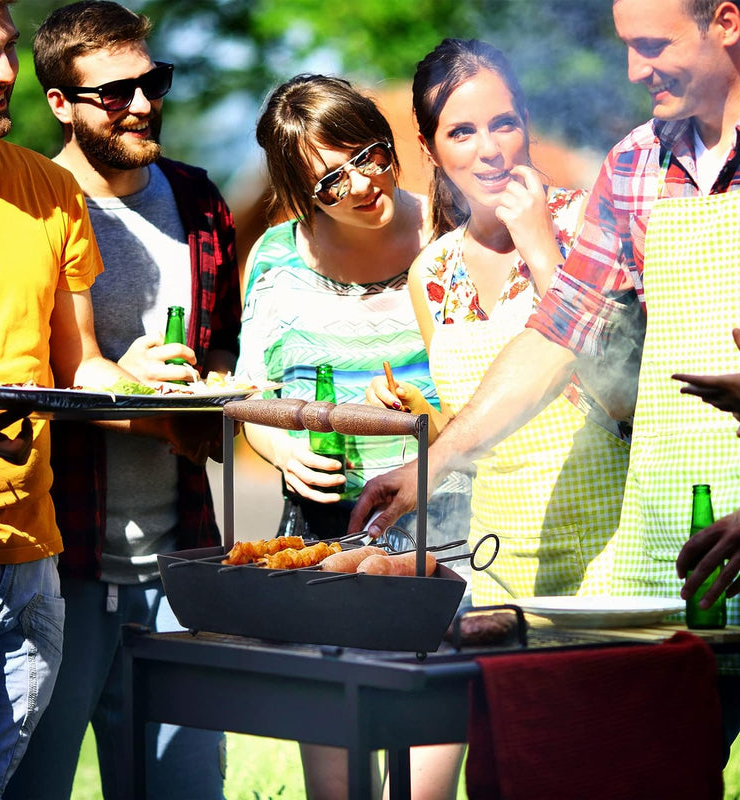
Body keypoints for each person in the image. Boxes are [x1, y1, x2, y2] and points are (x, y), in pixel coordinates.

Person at [351, 1, 740, 795]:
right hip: (664, 578)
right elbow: (558, 335)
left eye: (652, 46)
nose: (632, 71)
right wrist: (432, 464)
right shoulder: (634, 165)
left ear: (724, 22)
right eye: (624, 47)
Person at [362, 37, 630, 800]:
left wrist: (545, 253)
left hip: (609, 557)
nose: (490, 150)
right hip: (500, 566)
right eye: (463, 131)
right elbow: (471, 416)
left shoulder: (592, 224)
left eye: (505, 123)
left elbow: (624, 392)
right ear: (429, 146)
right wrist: (426, 423)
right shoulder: (432, 272)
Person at [4, 3, 240, 799]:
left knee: (187, 790)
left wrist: (210, 388)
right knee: (32, 784)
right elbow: (34, 375)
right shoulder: (25, 206)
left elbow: (223, 342)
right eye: (114, 93)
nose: (141, 104)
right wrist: (146, 401)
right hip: (58, 561)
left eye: (152, 82)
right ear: (60, 105)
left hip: (181, 562)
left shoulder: (200, 199)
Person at [237, 73, 471, 800]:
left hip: (447, 529)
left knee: (424, 775)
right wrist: (284, 448)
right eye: (331, 180)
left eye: (370, 153)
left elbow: (505, 380)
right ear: (301, 193)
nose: (364, 183)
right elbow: (251, 397)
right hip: (323, 532)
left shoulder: (455, 234)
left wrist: (426, 413)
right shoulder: (275, 260)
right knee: (337, 781)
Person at [0, 1, 133, 797]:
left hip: (26, 564)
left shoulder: (47, 190)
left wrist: (151, 387)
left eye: (4, 52)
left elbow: (81, 368)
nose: (4, 75)